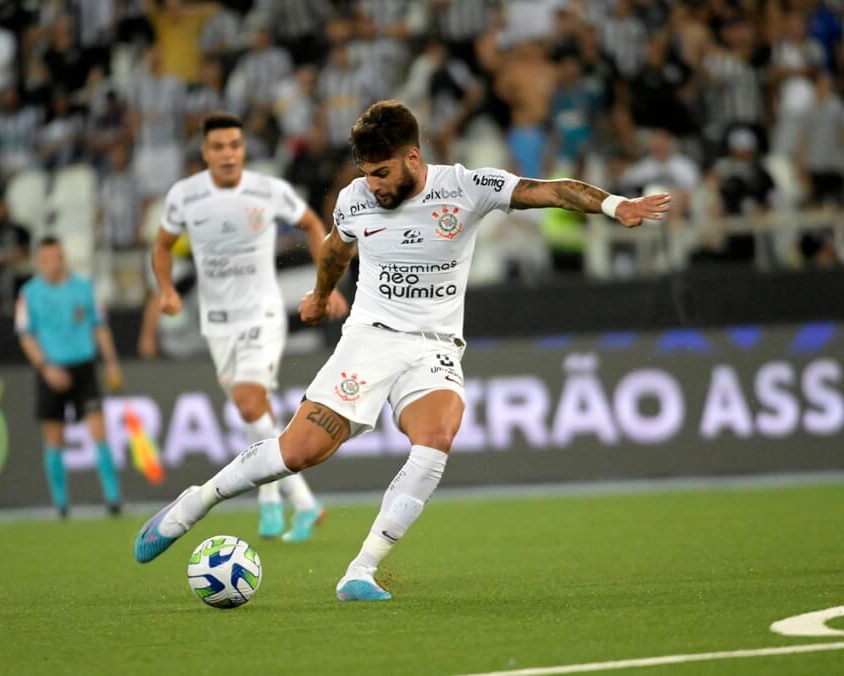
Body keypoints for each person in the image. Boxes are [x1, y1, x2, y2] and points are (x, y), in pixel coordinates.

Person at [133, 100, 670, 600]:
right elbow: (334, 252)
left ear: (413, 157)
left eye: (382, 172)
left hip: (435, 347)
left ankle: (361, 570)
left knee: (436, 436)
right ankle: (195, 502)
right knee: (299, 453)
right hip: (369, 340)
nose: (373, 185)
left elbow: (550, 190)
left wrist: (615, 204)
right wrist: (321, 298)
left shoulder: (465, 186)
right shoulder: (355, 199)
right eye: (366, 173)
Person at [146, 112, 349, 542]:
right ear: (205, 153)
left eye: (234, 145)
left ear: (242, 150)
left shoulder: (267, 190)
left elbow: (314, 225)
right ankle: (296, 504)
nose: (227, 154)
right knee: (254, 415)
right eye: (218, 147)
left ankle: (280, 502)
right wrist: (165, 288)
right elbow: (162, 246)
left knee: (248, 403)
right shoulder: (185, 196)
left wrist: (323, 286)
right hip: (217, 325)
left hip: (262, 315)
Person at [15, 237, 124, 518]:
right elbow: (26, 336)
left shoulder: (85, 288)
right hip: (50, 370)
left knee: (99, 431)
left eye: (58, 257)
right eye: (47, 259)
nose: (54, 263)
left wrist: (111, 362)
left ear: (64, 258)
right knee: (54, 438)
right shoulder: (29, 294)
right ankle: (61, 504)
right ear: (39, 262)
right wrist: (46, 368)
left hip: (83, 367)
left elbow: (100, 327)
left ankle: (113, 499)